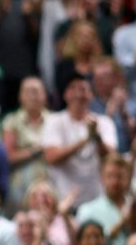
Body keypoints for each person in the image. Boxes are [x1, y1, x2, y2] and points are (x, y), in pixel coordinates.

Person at [42, 77, 116, 207]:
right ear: (65, 95)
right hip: (63, 199)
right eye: (73, 88)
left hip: (96, 199)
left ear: (91, 95)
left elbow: (111, 158)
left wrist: (97, 137)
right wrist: (86, 140)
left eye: (83, 89)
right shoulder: (54, 121)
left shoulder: (104, 122)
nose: (78, 94)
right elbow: (51, 157)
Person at [1, 77, 49, 211]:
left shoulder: (55, 120)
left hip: (49, 183)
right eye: (28, 92)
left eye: (36, 91)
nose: (33, 96)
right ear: (20, 97)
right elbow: (7, 156)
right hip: (20, 185)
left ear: (44, 95)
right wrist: (35, 150)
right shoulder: (11, 121)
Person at [75, 154, 136, 245]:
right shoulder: (87, 211)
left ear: (128, 178)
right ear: (102, 178)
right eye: (110, 176)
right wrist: (121, 223)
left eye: (119, 176)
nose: (115, 182)